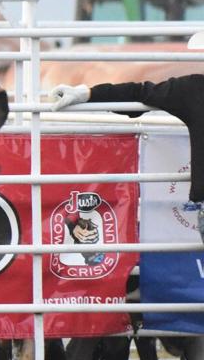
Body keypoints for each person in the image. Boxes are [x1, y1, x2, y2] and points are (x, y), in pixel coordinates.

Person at [50, 33, 204, 242]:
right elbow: (138, 92)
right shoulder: (194, 89)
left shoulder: (194, 89)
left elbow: (139, 92)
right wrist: (88, 93)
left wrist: (88, 94)